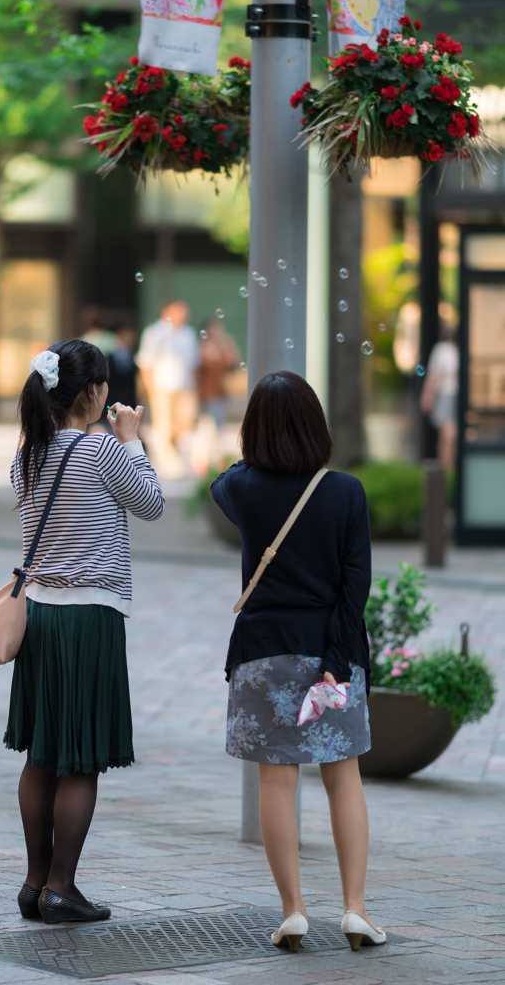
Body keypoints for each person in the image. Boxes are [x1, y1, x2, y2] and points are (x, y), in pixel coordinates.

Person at [210, 371, 384, 954]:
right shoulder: (346, 492)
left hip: (263, 655)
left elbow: (222, 480)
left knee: (276, 784)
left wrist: (252, 454)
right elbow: (354, 586)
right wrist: (337, 660)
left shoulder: (246, 489)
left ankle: (293, 912)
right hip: (331, 656)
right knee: (344, 779)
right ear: (317, 424)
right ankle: (356, 910)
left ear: (253, 429)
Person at [5, 339, 164, 925]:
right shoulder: (101, 451)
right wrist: (133, 442)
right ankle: (62, 887)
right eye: (103, 386)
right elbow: (152, 503)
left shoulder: (28, 455)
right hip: (89, 616)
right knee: (80, 761)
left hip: (40, 615)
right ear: (93, 393)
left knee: (42, 755)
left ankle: (33, 882)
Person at [136, 299, 200, 477]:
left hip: (185, 386)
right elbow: (146, 362)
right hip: (162, 386)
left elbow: (193, 364)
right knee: (163, 424)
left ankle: (179, 457)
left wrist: (194, 388)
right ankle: (166, 464)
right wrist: (150, 389)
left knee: (185, 423)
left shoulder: (188, 333)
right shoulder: (154, 332)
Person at [420, 324, 459, 470]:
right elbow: (433, 376)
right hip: (447, 394)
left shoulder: (444, 349)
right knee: (448, 434)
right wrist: (427, 396)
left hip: (451, 395)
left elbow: (432, 376)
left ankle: (448, 467)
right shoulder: (445, 350)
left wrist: (427, 396)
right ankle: (447, 467)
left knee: (449, 435)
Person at [197, 318, 241, 428]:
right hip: (206, 392)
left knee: (217, 424)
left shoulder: (224, 347)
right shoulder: (202, 347)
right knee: (208, 425)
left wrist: (228, 346)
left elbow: (233, 364)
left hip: (220, 392)